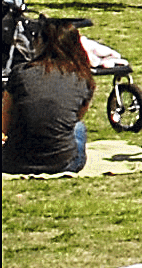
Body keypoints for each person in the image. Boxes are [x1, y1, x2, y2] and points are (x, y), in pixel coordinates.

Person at [1, 16, 94, 173]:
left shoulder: (21, 73)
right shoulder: (82, 77)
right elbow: (77, 116)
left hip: (14, 162)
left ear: (40, 43)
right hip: (62, 164)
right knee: (78, 127)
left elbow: (5, 115)